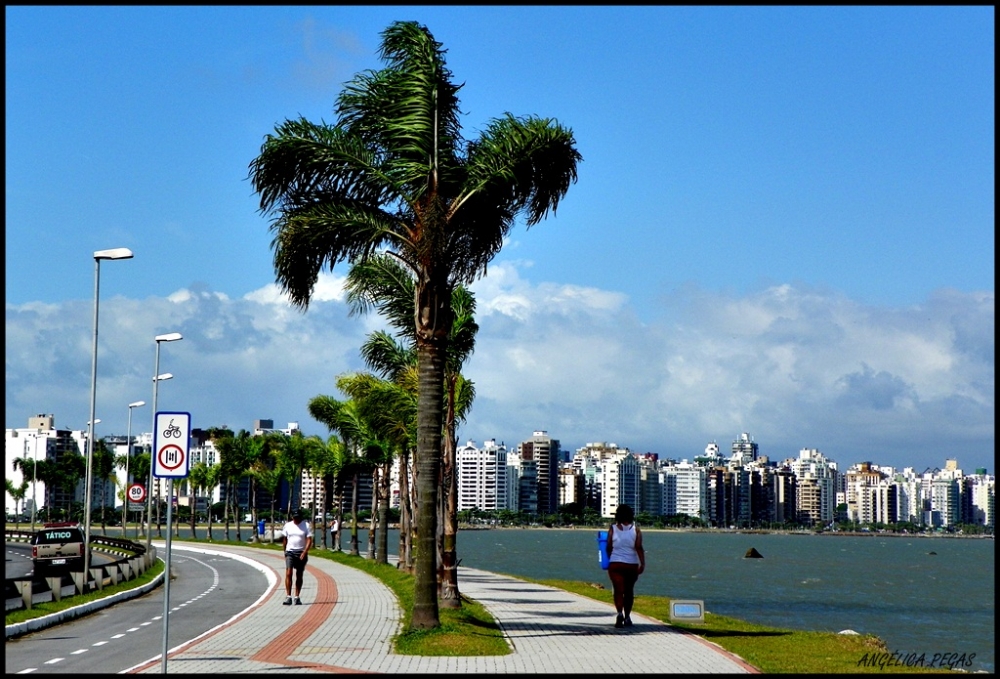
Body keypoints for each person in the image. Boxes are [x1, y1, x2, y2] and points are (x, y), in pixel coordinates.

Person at [606, 503, 645, 628]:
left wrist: (611, 557)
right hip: (631, 564)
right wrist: (642, 563)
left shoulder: (613, 528)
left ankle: (619, 614)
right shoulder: (636, 529)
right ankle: (627, 617)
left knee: (618, 591)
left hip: (615, 564)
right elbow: (638, 547)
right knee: (629, 591)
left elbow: (608, 546)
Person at [281, 509, 312, 605]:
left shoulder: (306, 525)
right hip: (290, 552)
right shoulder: (288, 525)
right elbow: (285, 539)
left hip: (301, 552)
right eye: (294, 517)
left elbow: (309, 540)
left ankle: (297, 596)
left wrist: (305, 551)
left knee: (299, 574)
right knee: (289, 573)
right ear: (292, 517)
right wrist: (285, 552)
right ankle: (288, 596)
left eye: (298, 517)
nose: (296, 519)